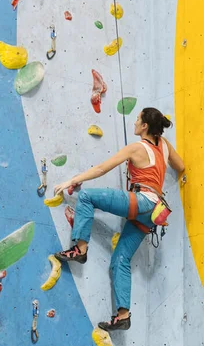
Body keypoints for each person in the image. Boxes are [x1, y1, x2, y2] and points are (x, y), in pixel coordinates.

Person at [52, 107, 185, 331]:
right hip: (153, 214)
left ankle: (80, 249)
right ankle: (123, 315)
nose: (134, 123)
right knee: (120, 261)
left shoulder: (136, 147)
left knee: (86, 197)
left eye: (137, 119)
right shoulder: (164, 145)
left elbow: (103, 168)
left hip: (142, 202)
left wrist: (71, 180)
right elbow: (180, 166)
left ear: (144, 126)